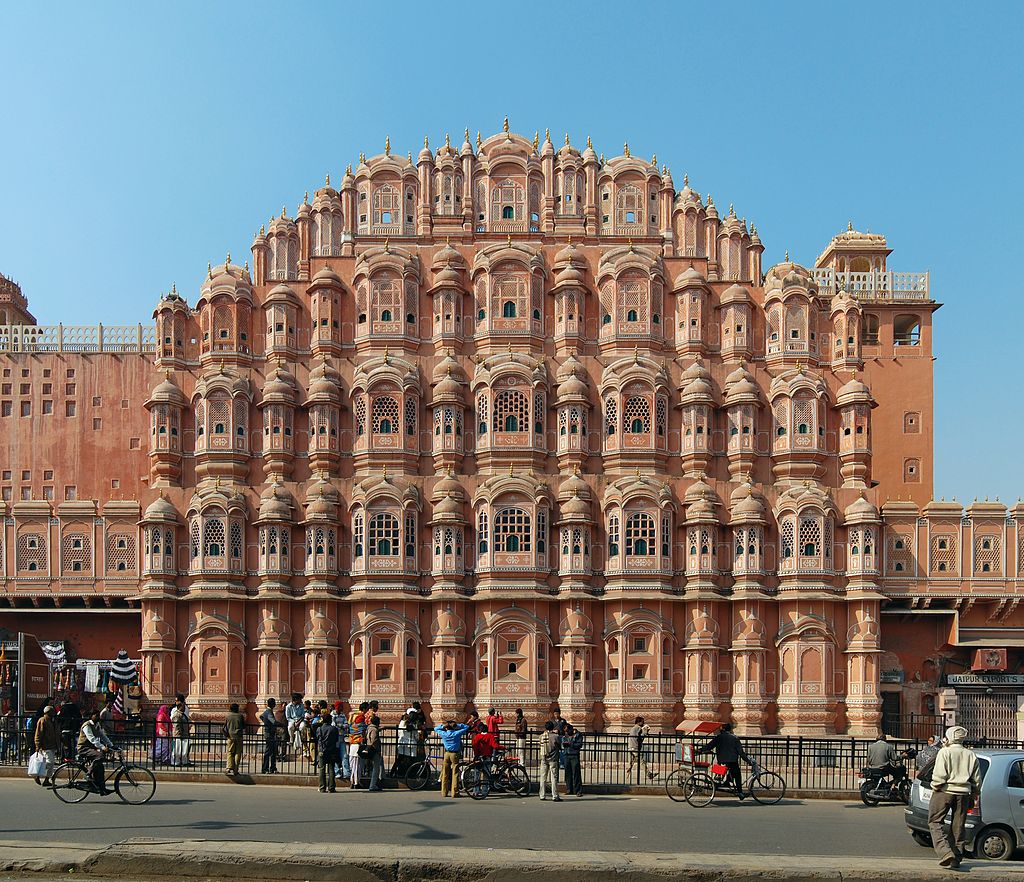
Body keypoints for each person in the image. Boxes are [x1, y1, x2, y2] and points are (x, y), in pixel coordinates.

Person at [928, 725, 981, 869]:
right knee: (958, 826)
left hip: (945, 791)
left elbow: (939, 775)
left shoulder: (945, 752)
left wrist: (935, 787)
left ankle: (945, 852)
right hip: (964, 793)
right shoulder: (970, 754)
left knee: (935, 821)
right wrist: (975, 794)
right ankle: (956, 858)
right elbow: (977, 780)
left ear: (950, 736)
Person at [697, 723, 753, 800]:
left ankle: (726, 780)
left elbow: (709, 746)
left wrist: (700, 750)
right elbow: (741, 753)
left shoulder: (719, 737)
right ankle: (740, 792)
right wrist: (748, 761)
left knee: (725, 769)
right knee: (737, 774)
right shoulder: (735, 738)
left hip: (721, 760)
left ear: (722, 729)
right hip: (732, 761)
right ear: (729, 729)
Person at [77, 708, 114, 794]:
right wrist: (102, 747)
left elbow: (102, 736)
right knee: (100, 755)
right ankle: (88, 774)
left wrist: (111, 745)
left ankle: (101, 788)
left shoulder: (97, 725)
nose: (98, 717)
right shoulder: (87, 725)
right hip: (83, 748)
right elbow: (92, 739)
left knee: (100, 768)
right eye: (96, 715)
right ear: (91, 716)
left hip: (91, 749)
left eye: (98, 715)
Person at [434, 718, 470, 798]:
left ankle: (444, 792)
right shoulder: (456, 733)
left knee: (445, 773)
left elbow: (435, 728)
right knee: (455, 773)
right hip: (455, 754)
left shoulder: (444, 733)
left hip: (447, 753)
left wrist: (444, 726)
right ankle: (455, 792)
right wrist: (457, 725)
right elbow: (466, 727)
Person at [33, 705, 60, 786]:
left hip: (52, 745)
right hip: (45, 745)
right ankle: (38, 774)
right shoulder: (42, 720)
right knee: (49, 763)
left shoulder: (53, 720)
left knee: (49, 763)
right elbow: (38, 734)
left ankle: (46, 779)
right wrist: (37, 745)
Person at [626, 716, 657, 781]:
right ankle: (649, 774)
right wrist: (645, 732)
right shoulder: (638, 728)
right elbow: (640, 737)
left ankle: (628, 771)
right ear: (639, 722)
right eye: (642, 722)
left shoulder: (633, 728)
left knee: (633, 761)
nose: (643, 723)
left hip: (630, 747)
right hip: (635, 747)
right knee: (641, 761)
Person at [316, 712, 341, 793]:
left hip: (322, 750)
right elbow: (336, 740)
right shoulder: (334, 729)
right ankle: (331, 787)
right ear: (330, 720)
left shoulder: (319, 729)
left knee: (322, 769)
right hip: (331, 750)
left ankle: (322, 787)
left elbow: (319, 739)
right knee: (331, 769)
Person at [348, 702, 369, 788]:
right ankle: (356, 783)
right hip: (358, 743)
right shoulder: (361, 717)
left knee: (353, 765)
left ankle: (353, 781)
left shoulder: (352, 716)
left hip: (352, 743)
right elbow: (362, 730)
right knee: (357, 765)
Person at [539, 720, 561, 801]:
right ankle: (554, 795)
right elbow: (559, 745)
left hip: (544, 758)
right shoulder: (555, 736)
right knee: (554, 778)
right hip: (553, 758)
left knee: (543, 777)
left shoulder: (541, 736)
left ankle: (542, 795)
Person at [260, 698, 284, 774]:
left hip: (269, 733)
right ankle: (266, 768)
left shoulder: (267, 712)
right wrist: (281, 724)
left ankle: (272, 768)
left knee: (273, 751)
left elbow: (261, 716)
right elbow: (273, 722)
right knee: (269, 751)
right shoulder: (269, 712)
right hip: (269, 734)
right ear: (273, 704)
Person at [223, 703, 246, 776]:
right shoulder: (240, 716)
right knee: (238, 753)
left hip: (230, 736)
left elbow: (225, 726)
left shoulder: (228, 716)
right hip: (239, 736)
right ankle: (235, 769)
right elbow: (243, 726)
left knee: (230, 752)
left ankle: (229, 767)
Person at [561, 723, 584, 797]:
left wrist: (571, 744)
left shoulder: (577, 735)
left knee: (576, 773)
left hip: (574, 755)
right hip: (566, 755)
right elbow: (562, 743)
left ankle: (578, 790)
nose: (566, 732)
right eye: (565, 731)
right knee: (568, 773)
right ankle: (569, 789)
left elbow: (579, 744)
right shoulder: (565, 736)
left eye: (567, 731)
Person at [392, 712, 418, 778]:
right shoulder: (414, 726)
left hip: (402, 743)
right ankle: (410, 775)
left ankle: (392, 772)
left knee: (399, 759)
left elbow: (399, 732)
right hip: (411, 744)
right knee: (411, 761)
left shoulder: (402, 723)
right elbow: (416, 737)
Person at [170, 694, 192, 766]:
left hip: (183, 733)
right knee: (177, 749)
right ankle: (175, 762)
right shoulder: (176, 712)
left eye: (177, 700)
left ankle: (183, 761)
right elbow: (175, 724)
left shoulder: (184, 711)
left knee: (183, 749)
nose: (175, 702)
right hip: (179, 734)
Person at [364, 714, 384, 792]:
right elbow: (373, 740)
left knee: (373, 767)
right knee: (376, 768)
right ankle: (372, 785)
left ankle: (373, 784)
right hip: (374, 750)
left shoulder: (369, 728)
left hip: (369, 749)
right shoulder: (374, 730)